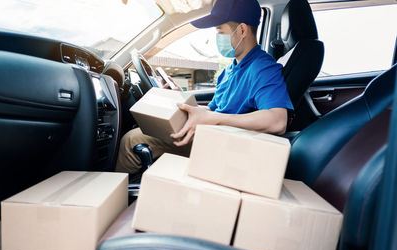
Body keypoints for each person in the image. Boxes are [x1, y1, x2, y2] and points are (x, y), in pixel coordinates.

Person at [115, 0, 293, 175]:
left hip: (230, 146)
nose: (217, 38)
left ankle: (116, 198)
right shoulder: (230, 70)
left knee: (132, 140)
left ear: (242, 29)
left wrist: (214, 119)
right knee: (141, 132)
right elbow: (214, 109)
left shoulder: (262, 67)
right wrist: (180, 98)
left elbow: (277, 120)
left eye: (220, 31)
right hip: (214, 135)